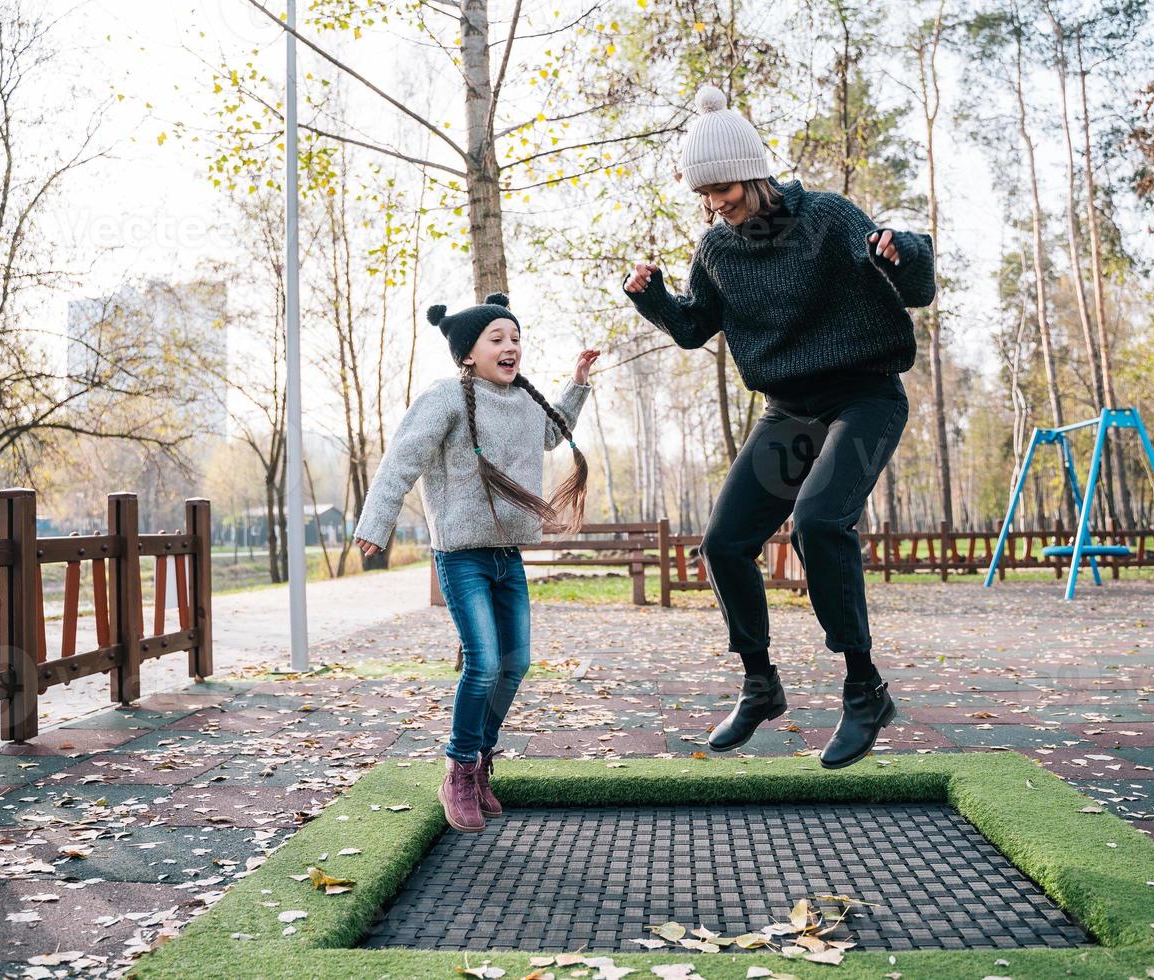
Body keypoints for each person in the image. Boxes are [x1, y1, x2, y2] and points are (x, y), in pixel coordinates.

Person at [622, 84, 935, 769]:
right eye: (704, 195)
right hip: (790, 414)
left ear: (756, 170)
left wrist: (900, 251)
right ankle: (760, 684)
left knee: (822, 522)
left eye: (724, 188)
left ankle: (865, 689)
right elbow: (693, 327)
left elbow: (916, 287)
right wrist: (652, 298)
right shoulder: (717, 250)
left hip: (863, 399)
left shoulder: (826, 217)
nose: (715, 204)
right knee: (724, 543)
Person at [353, 293, 600, 829]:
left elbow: (553, 432)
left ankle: (481, 759)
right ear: (468, 353)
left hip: (508, 556)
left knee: (516, 664)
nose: (510, 347)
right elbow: (403, 459)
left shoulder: (524, 402)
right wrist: (376, 522)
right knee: (483, 662)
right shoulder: (444, 398)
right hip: (461, 558)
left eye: (515, 339)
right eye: (498, 339)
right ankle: (459, 769)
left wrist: (577, 383)